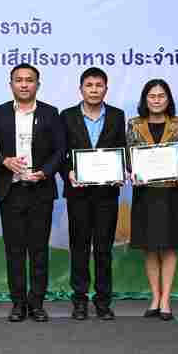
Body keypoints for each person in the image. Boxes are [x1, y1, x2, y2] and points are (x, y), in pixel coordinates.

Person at [0, 63, 66, 322]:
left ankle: (37, 303)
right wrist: (4, 161)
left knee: (39, 250)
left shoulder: (50, 113)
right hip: (10, 191)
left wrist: (45, 172)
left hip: (40, 190)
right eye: (19, 80)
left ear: (37, 84)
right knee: (14, 250)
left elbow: (60, 150)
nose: (24, 84)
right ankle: (18, 303)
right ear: (11, 84)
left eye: (29, 80)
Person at [60, 67, 126, 321]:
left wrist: (122, 170)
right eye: (89, 85)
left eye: (99, 85)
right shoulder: (67, 116)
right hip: (78, 194)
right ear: (81, 89)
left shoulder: (117, 116)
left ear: (106, 89)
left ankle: (103, 301)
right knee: (79, 247)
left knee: (103, 248)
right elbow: (60, 153)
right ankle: (79, 300)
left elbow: (122, 149)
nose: (94, 90)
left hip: (107, 194)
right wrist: (68, 172)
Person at [127, 79, 178, 321]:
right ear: (145, 100)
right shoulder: (134, 124)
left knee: (169, 247)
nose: (156, 100)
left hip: (171, 192)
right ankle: (155, 297)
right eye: (152, 96)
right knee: (150, 247)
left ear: (168, 99)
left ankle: (166, 299)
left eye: (161, 96)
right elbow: (129, 157)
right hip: (145, 193)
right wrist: (132, 171)